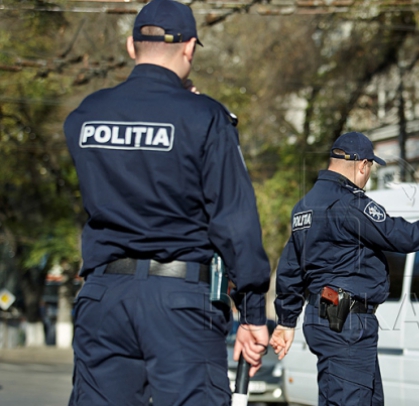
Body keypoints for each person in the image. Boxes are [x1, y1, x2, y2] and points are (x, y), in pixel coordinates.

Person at [63, 0, 270, 404]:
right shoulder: (207, 119)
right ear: (190, 48)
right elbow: (235, 223)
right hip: (180, 305)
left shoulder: (85, 115)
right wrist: (253, 314)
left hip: (103, 298)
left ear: (130, 46)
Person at [269, 131, 419, 406]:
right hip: (347, 321)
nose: (368, 177)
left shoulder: (304, 207)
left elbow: (290, 268)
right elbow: (406, 237)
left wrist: (286, 321)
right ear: (362, 165)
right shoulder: (350, 204)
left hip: (323, 316)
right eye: (370, 169)